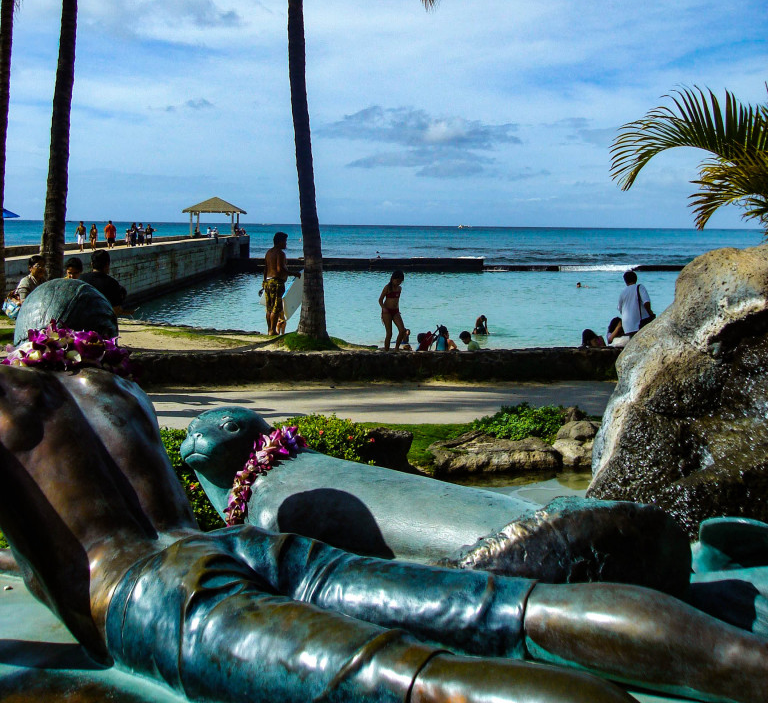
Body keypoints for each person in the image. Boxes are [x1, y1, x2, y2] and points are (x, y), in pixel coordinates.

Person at [0, 364, 763, 703]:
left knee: (425, 683)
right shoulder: (107, 390)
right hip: (229, 547)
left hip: (152, 597)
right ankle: (747, 665)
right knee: (514, 609)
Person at [80, 250, 132, 316]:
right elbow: (115, 310)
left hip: (83, 322)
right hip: (102, 323)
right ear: (107, 264)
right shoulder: (112, 283)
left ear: (92, 264)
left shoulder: (81, 279)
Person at [263, 232, 288, 336]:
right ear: (280, 242)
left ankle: (269, 330)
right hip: (277, 282)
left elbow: (265, 268)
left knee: (269, 308)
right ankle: (273, 330)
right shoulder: (280, 253)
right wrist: (292, 273)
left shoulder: (269, 252)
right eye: (285, 241)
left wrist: (264, 281)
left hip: (267, 281)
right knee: (276, 308)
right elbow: (279, 269)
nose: (286, 244)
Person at [378, 270, 407, 350]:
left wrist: (398, 310)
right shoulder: (387, 288)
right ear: (392, 279)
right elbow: (380, 300)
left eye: (400, 281)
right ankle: (386, 350)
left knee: (402, 330)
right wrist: (384, 309)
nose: (398, 283)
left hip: (395, 311)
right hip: (387, 311)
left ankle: (396, 348)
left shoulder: (399, 289)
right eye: (397, 281)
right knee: (389, 333)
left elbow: (396, 301)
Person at [618, 270, 652, 335]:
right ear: (636, 278)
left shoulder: (623, 292)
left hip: (627, 326)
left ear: (625, 281)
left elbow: (620, 309)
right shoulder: (640, 287)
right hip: (639, 324)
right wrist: (650, 312)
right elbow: (646, 302)